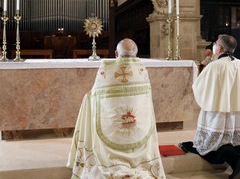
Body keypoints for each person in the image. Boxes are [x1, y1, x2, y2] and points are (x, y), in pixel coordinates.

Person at [67, 38, 166, 178]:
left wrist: (87, 97)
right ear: (136, 55)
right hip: (138, 132)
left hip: (111, 134)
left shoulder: (106, 71)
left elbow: (95, 96)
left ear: (116, 54)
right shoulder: (142, 71)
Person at [179, 34, 240, 179]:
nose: (214, 45)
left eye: (216, 43)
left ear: (219, 48)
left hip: (217, 112)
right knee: (233, 139)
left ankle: (236, 161)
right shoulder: (239, 63)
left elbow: (199, 87)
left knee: (214, 143)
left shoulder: (215, 66)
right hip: (236, 113)